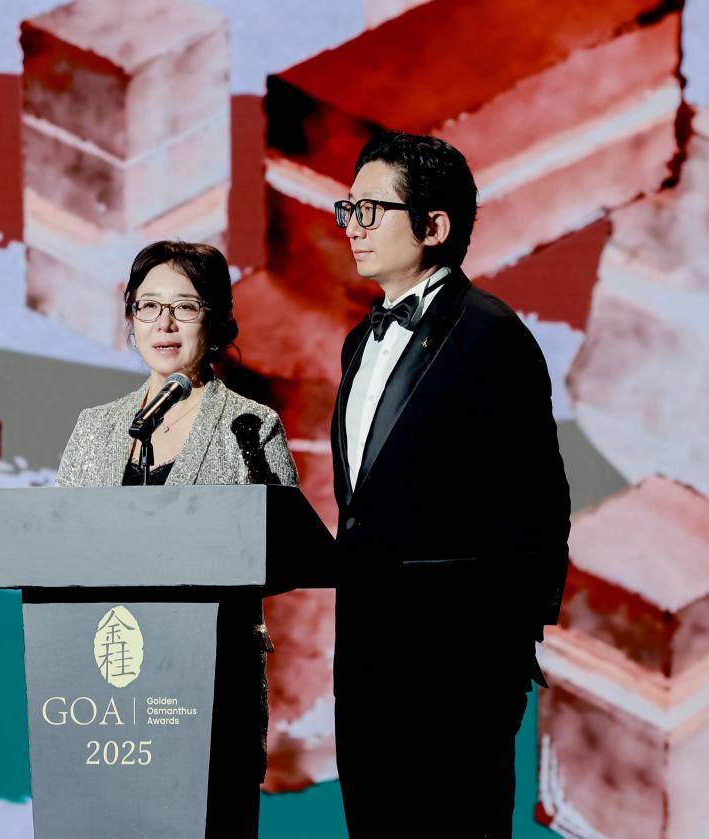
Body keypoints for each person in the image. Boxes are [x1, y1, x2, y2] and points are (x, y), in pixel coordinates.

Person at [329, 132, 571, 837]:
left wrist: (504, 659)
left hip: (458, 667)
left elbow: (536, 503)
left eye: (370, 210)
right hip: (365, 657)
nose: (353, 227)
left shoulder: (489, 333)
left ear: (433, 226)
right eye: (348, 209)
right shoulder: (358, 340)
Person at [55, 239, 299, 838]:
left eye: (184, 307)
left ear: (216, 321)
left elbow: (287, 548)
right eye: (148, 305)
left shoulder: (251, 425)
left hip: (211, 686)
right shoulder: (96, 428)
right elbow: (55, 546)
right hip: (104, 699)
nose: (163, 323)